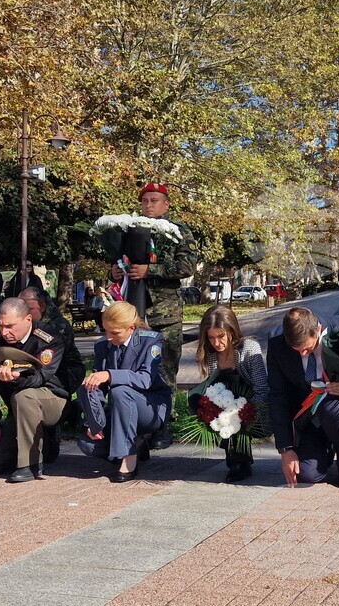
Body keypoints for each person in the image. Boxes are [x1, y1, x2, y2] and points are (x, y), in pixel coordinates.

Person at [124, 182, 199, 450]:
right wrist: (117, 270)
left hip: (165, 313)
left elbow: (187, 265)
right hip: (134, 312)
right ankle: (139, 423)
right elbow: (123, 261)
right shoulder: (130, 230)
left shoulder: (178, 231)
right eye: (144, 200)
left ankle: (163, 424)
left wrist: (150, 270)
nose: (148, 205)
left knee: (165, 370)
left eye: (154, 200)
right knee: (134, 368)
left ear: (166, 204)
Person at [267, 307, 339, 489]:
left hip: (338, 406)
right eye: (296, 349)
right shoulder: (276, 341)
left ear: (318, 330)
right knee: (308, 474)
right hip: (308, 415)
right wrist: (285, 449)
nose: (302, 354)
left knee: (331, 409)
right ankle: (324, 449)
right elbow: (277, 395)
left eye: (306, 348)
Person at [76, 302, 170, 483]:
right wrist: (93, 422)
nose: (109, 337)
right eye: (106, 331)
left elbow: (145, 379)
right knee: (88, 444)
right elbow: (98, 388)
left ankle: (128, 459)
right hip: (120, 410)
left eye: (115, 333)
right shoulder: (103, 345)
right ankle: (136, 444)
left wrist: (110, 375)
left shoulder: (151, 340)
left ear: (131, 328)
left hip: (151, 406)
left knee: (120, 391)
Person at [0, 297, 67, 483]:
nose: (5, 332)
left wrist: (16, 379)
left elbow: (41, 377)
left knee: (24, 395)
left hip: (50, 400)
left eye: (11, 326)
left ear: (28, 319)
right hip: (19, 409)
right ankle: (45, 446)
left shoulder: (49, 339)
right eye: (1, 326)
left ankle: (30, 464)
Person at [189, 304, 269, 483]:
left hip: (249, 404)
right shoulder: (211, 353)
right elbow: (213, 385)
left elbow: (262, 388)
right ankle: (235, 457)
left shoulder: (249, 348)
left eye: (221, 336)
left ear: (231, 331)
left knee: (236, 414)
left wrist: (247, 411)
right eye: (211, 338)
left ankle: (240, 459)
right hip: (223, 402)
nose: (216, 343)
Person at [19, 285, 86, 457]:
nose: (22, 311)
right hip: (40, 369)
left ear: (40, 306)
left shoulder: (57, 325)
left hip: (65, 370)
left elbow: (52, 361)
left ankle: (65, 413)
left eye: (27, 307)